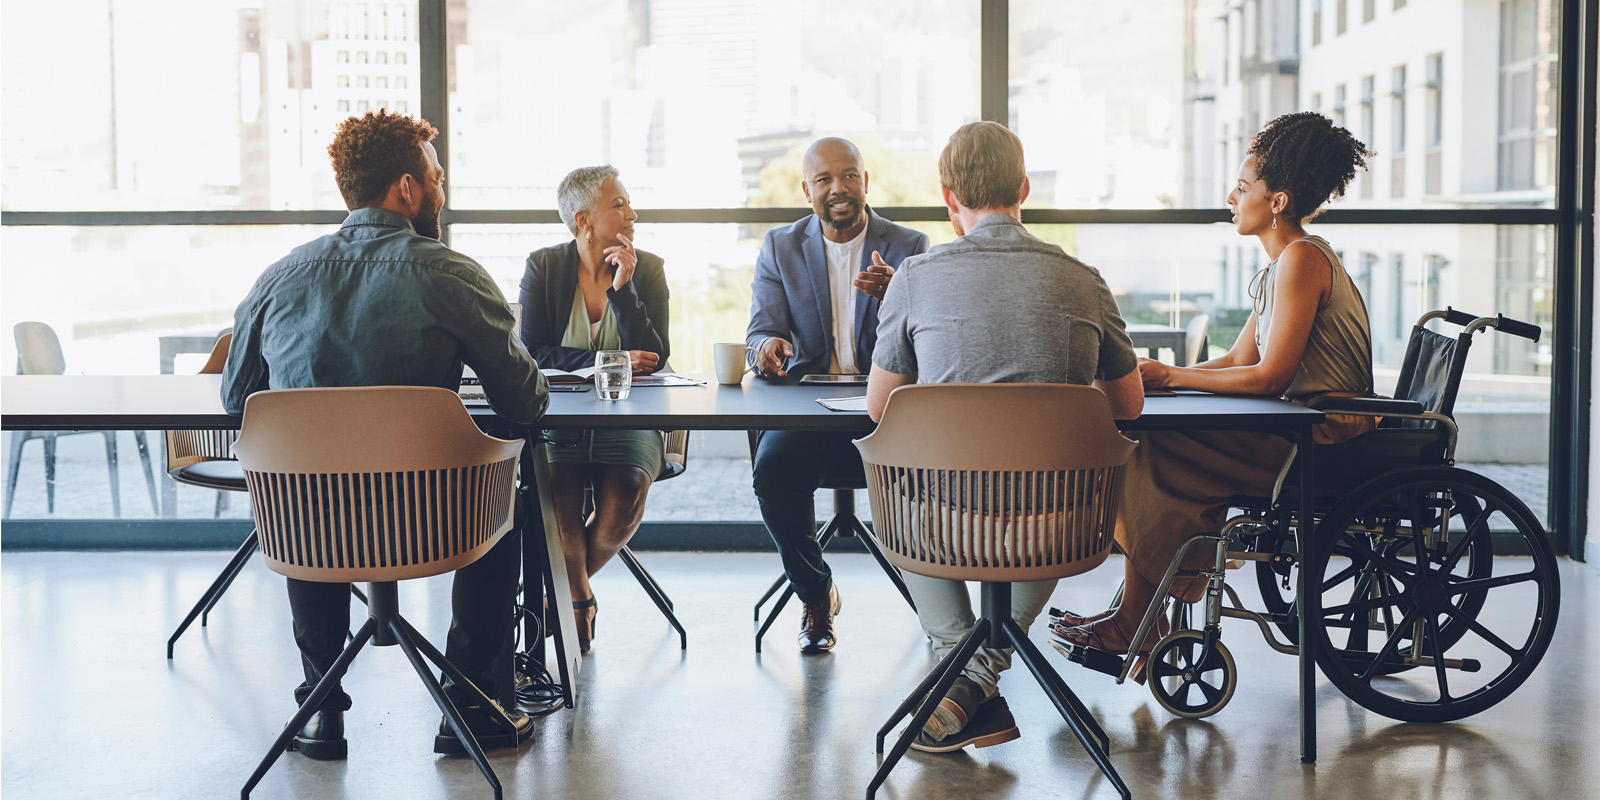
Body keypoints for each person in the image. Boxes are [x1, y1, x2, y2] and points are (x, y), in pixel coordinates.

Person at [222, 110, 548, 761]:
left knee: (305, 478)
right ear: (406, 187)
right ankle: (474, 708)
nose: (442, 190)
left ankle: (319, 708)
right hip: (436, 525)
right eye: (436, 177)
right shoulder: (451, 274)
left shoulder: (279, 278)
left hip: (308, 529)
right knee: (506, 480)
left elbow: (238, 400)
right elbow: (526, 402)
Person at [1054, 111, 1375, 664]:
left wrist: (1172, 377)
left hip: (1325, 438)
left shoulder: (1301, 259)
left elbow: (1272, 376)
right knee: (1156, 438)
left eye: (1244, 187)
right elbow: (1236, 360)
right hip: (1300, 427)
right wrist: (1161, 377)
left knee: (1153, 446)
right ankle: (1139, 614)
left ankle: (1138, 619)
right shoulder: (1282, 265)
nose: (1232, 196)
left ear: (1277, 201)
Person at [865, 120, 1144, 753]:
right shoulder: (1085, 279)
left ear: (947, 197)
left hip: (941, 526)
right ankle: (975, 679)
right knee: (1056, 483)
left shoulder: (914, 278)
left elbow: (881, 408)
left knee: (891, 465)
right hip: (1060, 525)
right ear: (1023, 187)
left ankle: (960, 667)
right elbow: (1128, 405)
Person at [745, 137, 930, 653]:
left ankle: (940, 605)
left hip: (888, 411)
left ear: (866, 181)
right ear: (807, 191)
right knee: (772, 470)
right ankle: (816, 593)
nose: (839, 189)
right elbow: (759, 331)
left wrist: (900, 294)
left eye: (849, 175)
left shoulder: (910, 247)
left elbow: (935, 339)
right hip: (810, 412)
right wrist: (768, 346)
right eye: (824, 180)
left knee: (936, 468)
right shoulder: (781, 247)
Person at [519, 165, 669, 656]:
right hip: (557, 419)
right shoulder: (543, 266)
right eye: (620, 205)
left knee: (623, 499)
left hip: (629, 419)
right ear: (583, 219)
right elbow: (533, 352)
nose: (633, 213)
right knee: (558, 504)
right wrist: (611, 360)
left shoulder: (648, 268)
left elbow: (655, 355)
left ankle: (554, 592)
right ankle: (578, 596)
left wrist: (624, 290)